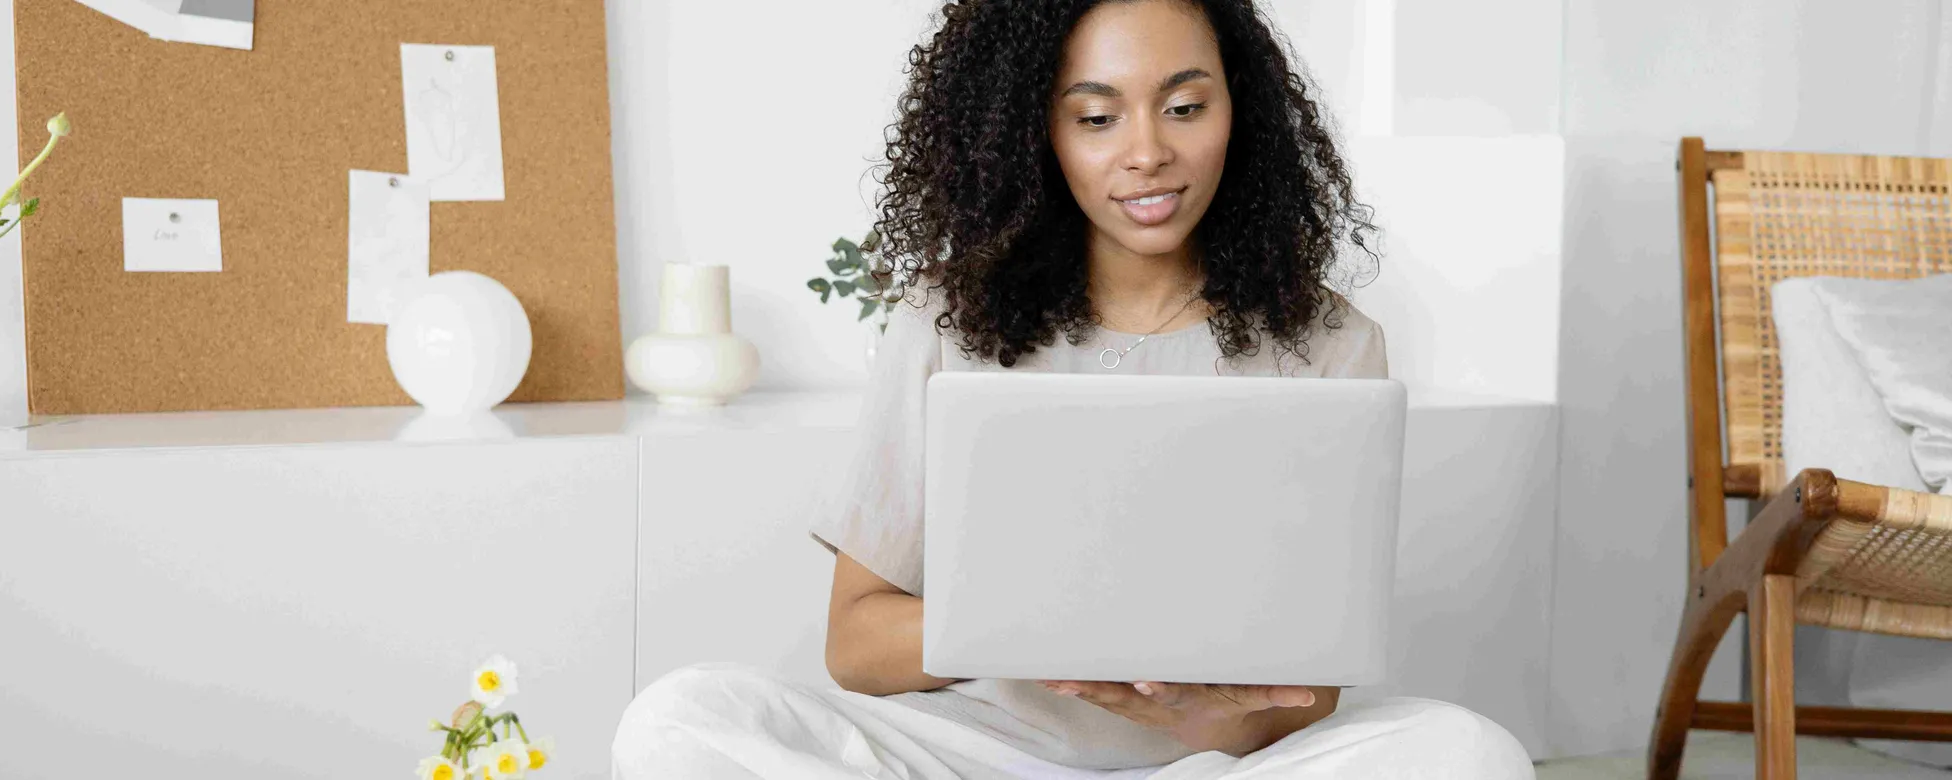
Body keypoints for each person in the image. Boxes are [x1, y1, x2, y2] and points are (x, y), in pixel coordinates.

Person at [612, 0, 1533, 776]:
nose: (1146, 155)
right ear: (1036, 132)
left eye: (1184, 107)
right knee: (683, 716)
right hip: (977, 752)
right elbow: (855, 644)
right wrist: (1034, 632)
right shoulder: (946, 321)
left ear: (1238, 110)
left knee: (1469, 752)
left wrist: (1194, 715)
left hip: (1205, 764)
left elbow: (1310, 693)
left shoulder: (1332, 342)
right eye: (1096, 117)